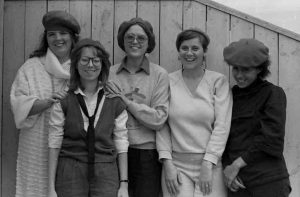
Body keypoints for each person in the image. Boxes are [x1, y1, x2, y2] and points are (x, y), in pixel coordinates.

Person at [10, 10, 80, 197]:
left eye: (63, 33)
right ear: (46, 38)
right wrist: (46, 103)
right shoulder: (31, 67)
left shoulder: (82, 67)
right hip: (36, 142)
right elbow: (18, 105)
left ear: (73, 38)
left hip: (73, 143)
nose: (58, 38)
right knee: (36, 188)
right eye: (52, 34)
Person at [48, 38, 129, 197]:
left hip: (106, 171)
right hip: (70, 171)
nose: (90, 65)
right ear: (76, 64)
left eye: (95, 60)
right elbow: (54, 143)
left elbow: (122, 142)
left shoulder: (114, 101)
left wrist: (124, 185)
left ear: (103, 65)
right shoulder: (64, 100)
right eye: (84, 60)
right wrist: (50, 188)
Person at [156, 28, 232, 197]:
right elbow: (161, 124)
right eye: (184, 48)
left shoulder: (218, 81)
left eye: (195, 48)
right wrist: (167, 163)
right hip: (176, 164)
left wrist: (208, 163)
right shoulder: (167, 81)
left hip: (210, 164)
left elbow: (222, 125)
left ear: (204, 52)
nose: (189, 53)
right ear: (178, 52)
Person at [106, 17, 169, 197]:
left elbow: (158, 119)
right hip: (114, 151)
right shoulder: (109, 73)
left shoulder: (159, 75)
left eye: (141, 38)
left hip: (147, 154)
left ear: (149, 43)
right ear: (122, 41)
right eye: (129, 37)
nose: (135, 41)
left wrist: (125, 102)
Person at [222, 38, 291, 197]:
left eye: (246, 70)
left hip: (268, 183)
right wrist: (227, 168)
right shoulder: (231, 95)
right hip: (237, 184)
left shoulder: (273, 94)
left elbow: (271, 139)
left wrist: (236, 165)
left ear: (260, 69)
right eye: (235, 69)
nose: (239, 75)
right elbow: (223, 135)